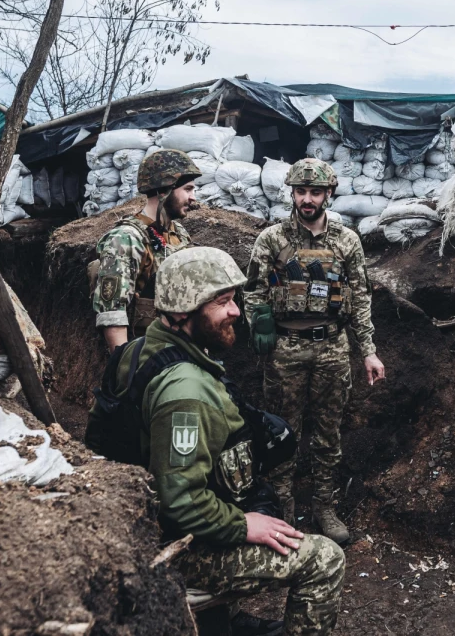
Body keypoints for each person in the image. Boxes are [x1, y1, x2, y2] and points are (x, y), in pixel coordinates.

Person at [92, 247, 345, 636]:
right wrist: (241, 524)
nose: (236, 311)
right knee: (325, 559)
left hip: (136, 528)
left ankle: (222, 621)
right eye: (222, 302)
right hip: (172, 548)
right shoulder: (185, 392)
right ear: (183, 312)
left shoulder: (142, 349)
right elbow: (181, 501)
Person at [243, 157, 386, 544]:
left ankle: (325, 506)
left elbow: (360, 299)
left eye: (316, 192)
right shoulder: (271, 239)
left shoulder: (346, 240)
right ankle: (282, 508)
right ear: (291, 193)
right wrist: (259, 324)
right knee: (281, 432)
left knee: (327, 434)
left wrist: (368, 350)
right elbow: (253, 290)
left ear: (328, 194)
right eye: (301, 191)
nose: (307, 199)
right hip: (285, 350)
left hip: (332, 349)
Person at [91, 148, 201, 351]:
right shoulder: (126, 239)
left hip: (182, 347)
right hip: (147, 352)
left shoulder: (179, 233)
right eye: (187, 189)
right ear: (163, 190)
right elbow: (113, 314)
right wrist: (126, 364)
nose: (193, 198)